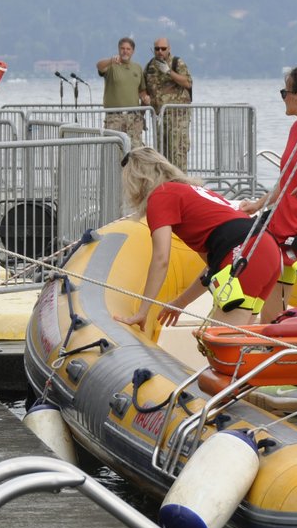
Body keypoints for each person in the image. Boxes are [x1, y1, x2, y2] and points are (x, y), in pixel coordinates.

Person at [114, 147, 280, 329]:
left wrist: (142, 312)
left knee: (222, 346)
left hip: (246, 255)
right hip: (266, 248)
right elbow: (213, 268)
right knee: (236, 344)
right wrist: (180, 303)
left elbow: (161, 259)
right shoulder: (190, 192)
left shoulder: (160, 196)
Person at [237, 65, 297, 317]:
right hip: (282, 230)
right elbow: (287, 179)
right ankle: (273, 347)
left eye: (284, 92)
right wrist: (259, 204)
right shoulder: (295, 130)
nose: (283, 97)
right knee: (272, 313)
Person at [141, 38, 193, 168]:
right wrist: (141, 115)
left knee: (177, 153)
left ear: (169, 49)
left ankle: (181, 185)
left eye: (163, 48)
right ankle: (166, 186)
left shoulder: (176, 62)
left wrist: (169, 72)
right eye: (157, 49)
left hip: (177, 118)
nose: (160, 51)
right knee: (161, 156)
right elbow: (144, 92)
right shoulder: (149, 66)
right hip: (159, 118)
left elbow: (187, 82)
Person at [96, 36, 145, 145]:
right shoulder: (111, 66)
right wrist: (110, 61)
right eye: (122, 48)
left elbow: (142, 90)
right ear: (118, 49)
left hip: (133, 117)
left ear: (133, 51)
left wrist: (145, 97)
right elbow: (99, 66)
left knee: (135, 150)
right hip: (114, 117)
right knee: (113, 149)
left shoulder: (138, 68)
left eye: (128, 49)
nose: (125, 51)